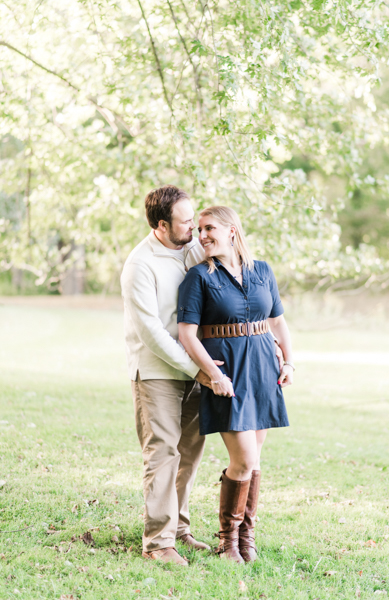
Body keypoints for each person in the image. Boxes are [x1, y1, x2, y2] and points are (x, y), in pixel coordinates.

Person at [177, 205, 295, 563]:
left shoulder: (262, 271)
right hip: (228, 374)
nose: (203, 236)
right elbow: (186, 335)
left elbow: (278, 322)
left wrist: (289, 360)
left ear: (232, 230)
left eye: (209, 227)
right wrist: (213, 375)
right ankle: (228, 541)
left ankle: (247, 539)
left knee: (255, 460)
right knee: (243, 459)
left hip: (263, 370)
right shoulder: (198, 277)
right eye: (199, 230)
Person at [121, 185, 219, 565]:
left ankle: (179, 529)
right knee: (162, 453)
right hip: (157, 372)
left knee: (190, 454)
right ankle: (158, 544)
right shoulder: (139, 265)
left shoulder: (193, 249)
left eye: (194, 218)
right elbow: (154, 334)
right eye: (185, 221)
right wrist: (200, 369)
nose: (194, 227)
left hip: (198, 369)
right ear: (162, 225)